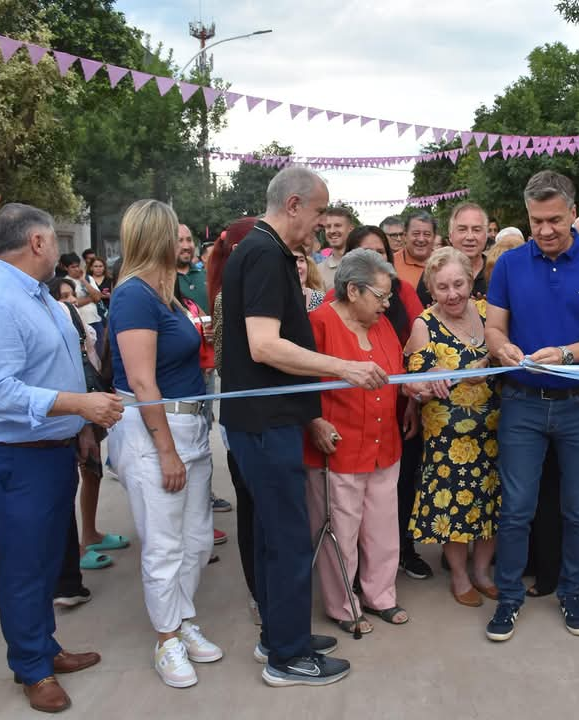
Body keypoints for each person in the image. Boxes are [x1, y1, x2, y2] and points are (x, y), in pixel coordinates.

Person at [220, 166, 383, 687]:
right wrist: (343, 367)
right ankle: (287, 658)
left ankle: (281, 633)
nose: (318, 226)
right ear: (293, 205)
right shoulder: (266, 253)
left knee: (275, 535)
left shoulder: (262, 251)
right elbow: (264, 345)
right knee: (289, 538)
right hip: (265, 425)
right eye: (316, 214)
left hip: (265, 422)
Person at [0, 203, 123, 713]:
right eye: (54, 240)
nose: (58, 249)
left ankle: (44, 647)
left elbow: (58, 369)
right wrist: (80, 406)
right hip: (14, 458)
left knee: (49, 558)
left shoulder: (40, 297)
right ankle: (30, 666)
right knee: (25, 565)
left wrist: (79, 430)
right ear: (37, 242)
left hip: (52, 450)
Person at [484, 170, 579, 642]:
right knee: (516, 508)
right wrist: (501, 347)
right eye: (536, 220)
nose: (544, 230)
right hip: (521, 401)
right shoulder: (507, 265)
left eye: (554, 220)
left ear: (572, 214)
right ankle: (508, 598)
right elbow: (494, 329)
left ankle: (571, 593)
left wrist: (565, 355)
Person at [106, 200, 220, 689]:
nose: (184, 241)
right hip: (157, 431)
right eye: (176, 233)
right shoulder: (134, 296)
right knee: (164, 544)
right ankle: (166, 637)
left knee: (196, 540)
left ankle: (183, 617)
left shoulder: (167, 292)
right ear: (156, 237)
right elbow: (140, 380)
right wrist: (166, 451)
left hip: (190, 427)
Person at [304, 249, 410, 633]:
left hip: (384, 446)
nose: (388, 303)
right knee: (339, 533)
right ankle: (343, 606)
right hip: (339, 450)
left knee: (383, 529)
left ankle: (380, 596)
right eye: (381, 295)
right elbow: (299, 383)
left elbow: (397, 376)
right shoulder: (318, 324)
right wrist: (314, 419)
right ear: (353, 291)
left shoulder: (381, 325)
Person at [403, 247, 501, 606]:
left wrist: (488, 359)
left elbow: (508, 352)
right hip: (448, 439)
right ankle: (460, 577)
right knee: (455, 506)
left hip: (495, 431)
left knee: (491, 504)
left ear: (470, 280)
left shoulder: (491, 314)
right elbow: (411, 385)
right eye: (442, 287)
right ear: (430, 288)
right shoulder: (423, 324)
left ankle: (482, 571)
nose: (452, 294)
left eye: (458, 284)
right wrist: (427, 379)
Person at [340, 226, 429, 579]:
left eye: (381, 253)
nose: (377, 259)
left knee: (393, 499)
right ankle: (351, 582)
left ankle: (394, 565)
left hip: (394, 415)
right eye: (367, 254)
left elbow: (415, 348)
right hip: (348, 426)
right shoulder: (328, 316)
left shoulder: (398, 301)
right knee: (349, 511)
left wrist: (412, 398)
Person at [50, 278, 128, 572]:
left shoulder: (79, 323)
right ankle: (75, 549)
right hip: (70, 410)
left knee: (92, 471)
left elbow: (92, 362)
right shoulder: (56, 328)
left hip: (90, 403)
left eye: (72, 295)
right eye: (63, 296)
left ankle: (91, 532)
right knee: (70, 477)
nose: (70, 300)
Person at [208, 217, 261, 622]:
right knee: (252, 508)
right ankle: (259, 592)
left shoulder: (304, 295)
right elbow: (228, 362)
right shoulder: (230, 298)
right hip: (247, 420)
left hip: (279, 419)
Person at [416, 203, 489, 305]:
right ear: (450, 236)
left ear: (486, 235)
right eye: (462, 229)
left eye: (476, 230)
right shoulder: (434, 271)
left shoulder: (497, 271)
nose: (470, 237)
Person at [61, 253, 105, 357]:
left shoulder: (88, 278)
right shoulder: (65, 282)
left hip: (96, 320)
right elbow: (74, 302)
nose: (76, 269)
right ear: (66, 268)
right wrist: (91, 298)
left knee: (100, 353)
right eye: (73, 267)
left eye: (77, 266)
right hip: (81, 323)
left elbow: (98, 297)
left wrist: (83, 280)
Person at [393, 211, 437, 289]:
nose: (421, 239)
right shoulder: (391, 264)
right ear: (405, 236)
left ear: (434, 237)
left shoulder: (444, 261)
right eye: (416, 234)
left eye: (427, 234)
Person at [316, 207, 354, 289]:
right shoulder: (319, 270)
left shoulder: (365, 263)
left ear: (350, 229)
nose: (332, 231)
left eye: (338, 226)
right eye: (328, 227)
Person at [176, 224, 209, 313]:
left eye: (189, 240)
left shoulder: (208, 276)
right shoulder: (161, 282)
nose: (186, 246)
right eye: (180, 240)